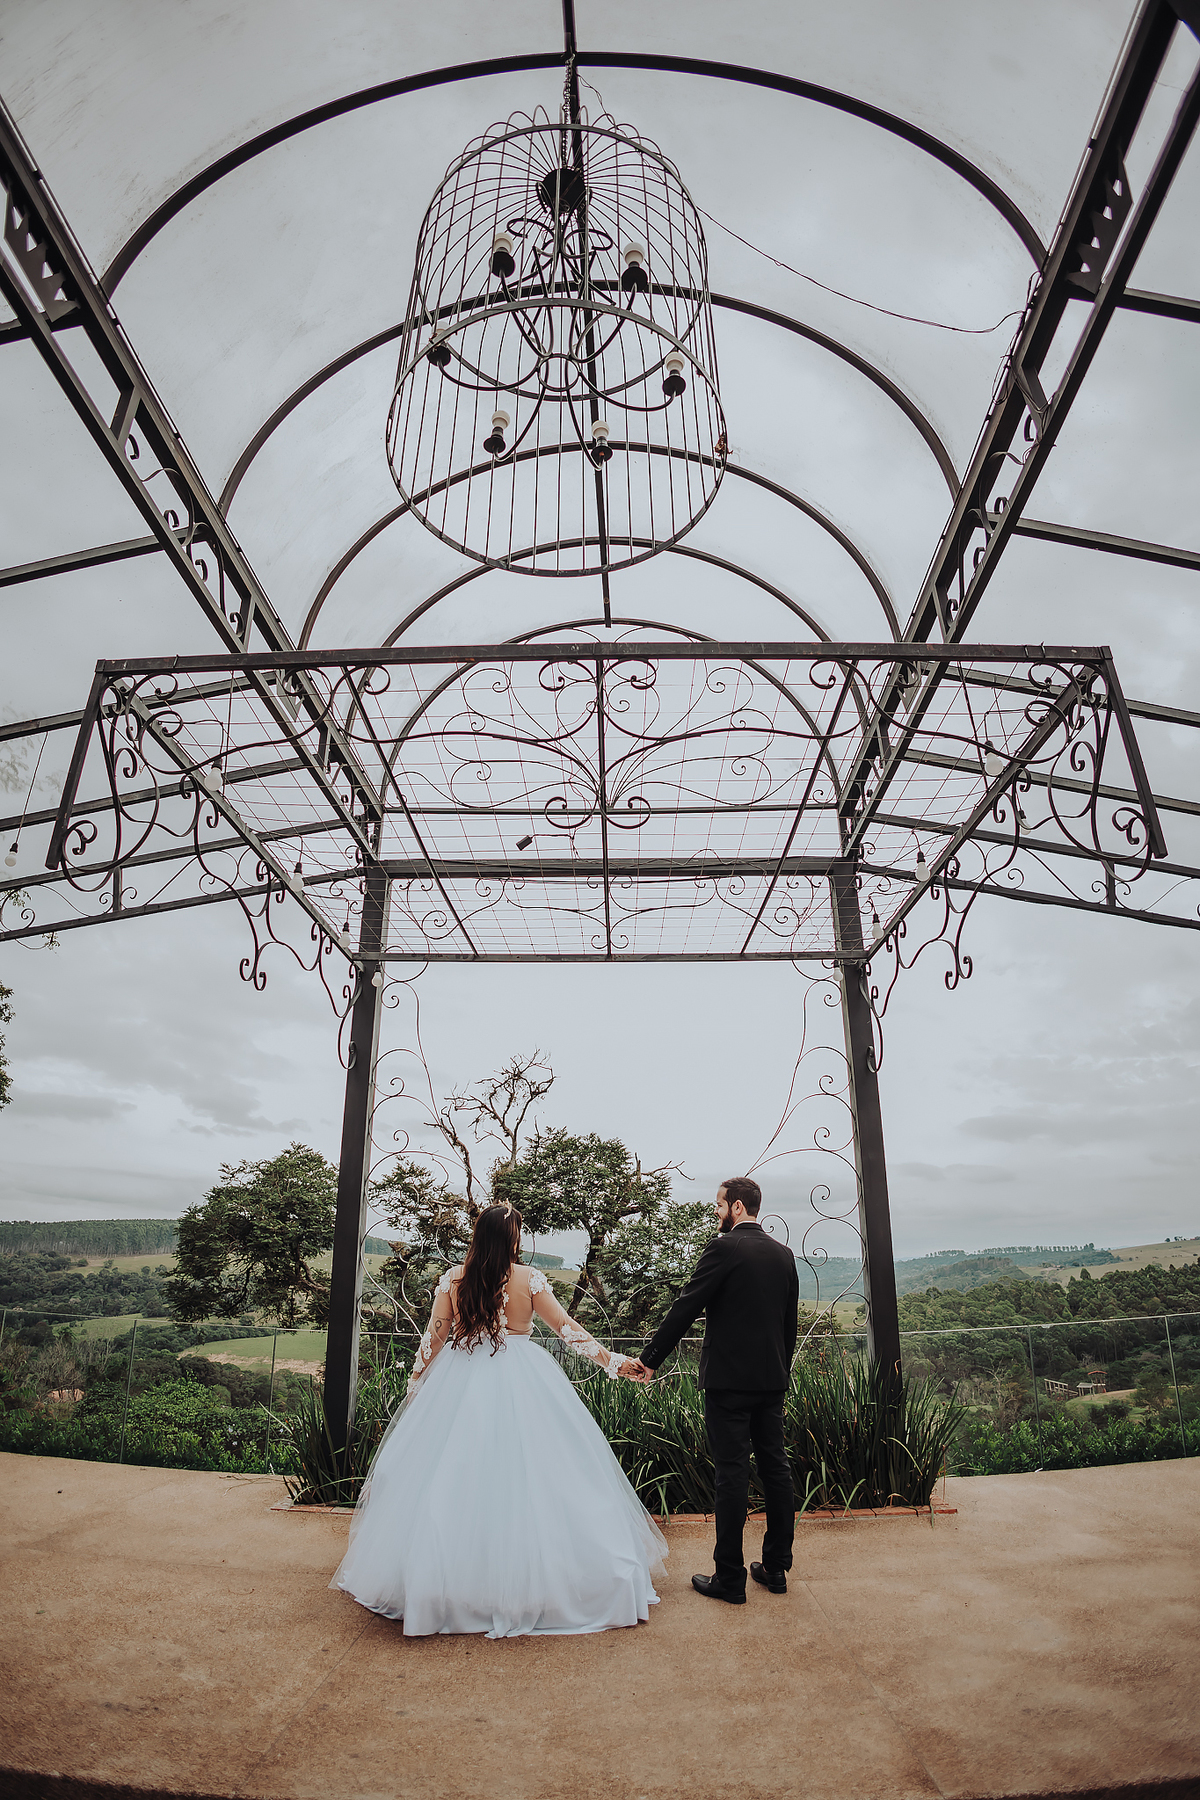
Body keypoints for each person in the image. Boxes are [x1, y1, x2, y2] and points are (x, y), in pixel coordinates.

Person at [331, 1201, 665, 1637]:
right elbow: (566, 1328)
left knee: (453, 1478)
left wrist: (416, 1386)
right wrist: (614, 1362)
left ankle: (448, 1582)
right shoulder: (529, 1278)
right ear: (513, 1238)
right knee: (539, 1477)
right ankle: (529, 1582)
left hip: (459, 1375)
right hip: (523, 1375)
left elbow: (434, 1336)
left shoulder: (454, 1277)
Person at [627, 1176, 799, 1604]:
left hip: (728, 1384)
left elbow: (686, 1305)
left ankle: (730, 1578)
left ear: (737, 1207)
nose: (717, 1213)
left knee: (731, 1475)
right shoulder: (784, 1255)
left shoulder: (724, 1248)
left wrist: (650, 1358)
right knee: (776, 1468)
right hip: (772, 1380)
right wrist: (780, 1370)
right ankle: (776, 1568)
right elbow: (788, 1324)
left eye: (720, 1205)